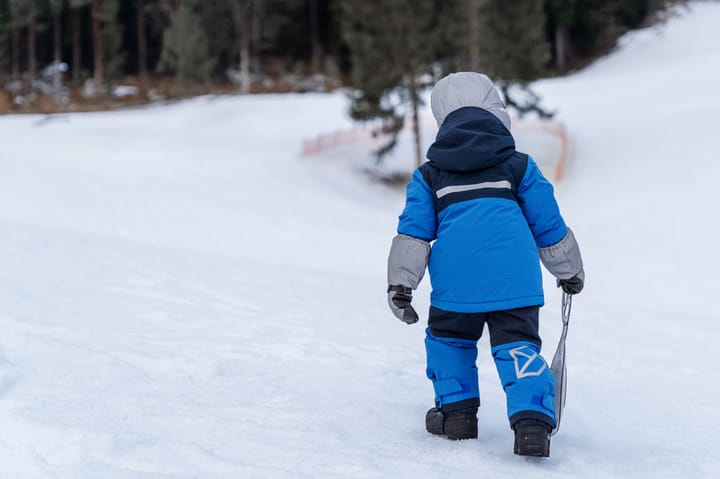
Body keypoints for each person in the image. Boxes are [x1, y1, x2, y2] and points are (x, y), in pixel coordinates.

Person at [386, 72, 584, 457]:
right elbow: (548, 224)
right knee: (519, 347)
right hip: (515, 280)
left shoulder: (429, 176)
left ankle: (456, 415)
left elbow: (414, 234)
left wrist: (401, 284)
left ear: (442, 118)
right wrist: (569, 270)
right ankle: (532, 426)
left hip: (457, 284)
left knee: (449, 342)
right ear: (497, 110)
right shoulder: (519, 167)